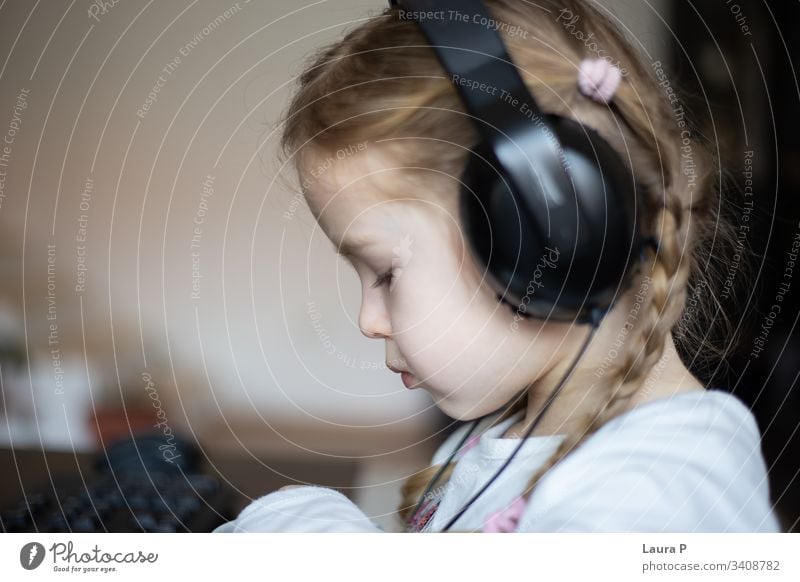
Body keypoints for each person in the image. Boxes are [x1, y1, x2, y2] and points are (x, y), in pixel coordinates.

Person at [214, 0, 781, 533]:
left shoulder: (665, 485)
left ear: (547, 233)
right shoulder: (495, 438)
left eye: (385, 272)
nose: (367, 320)